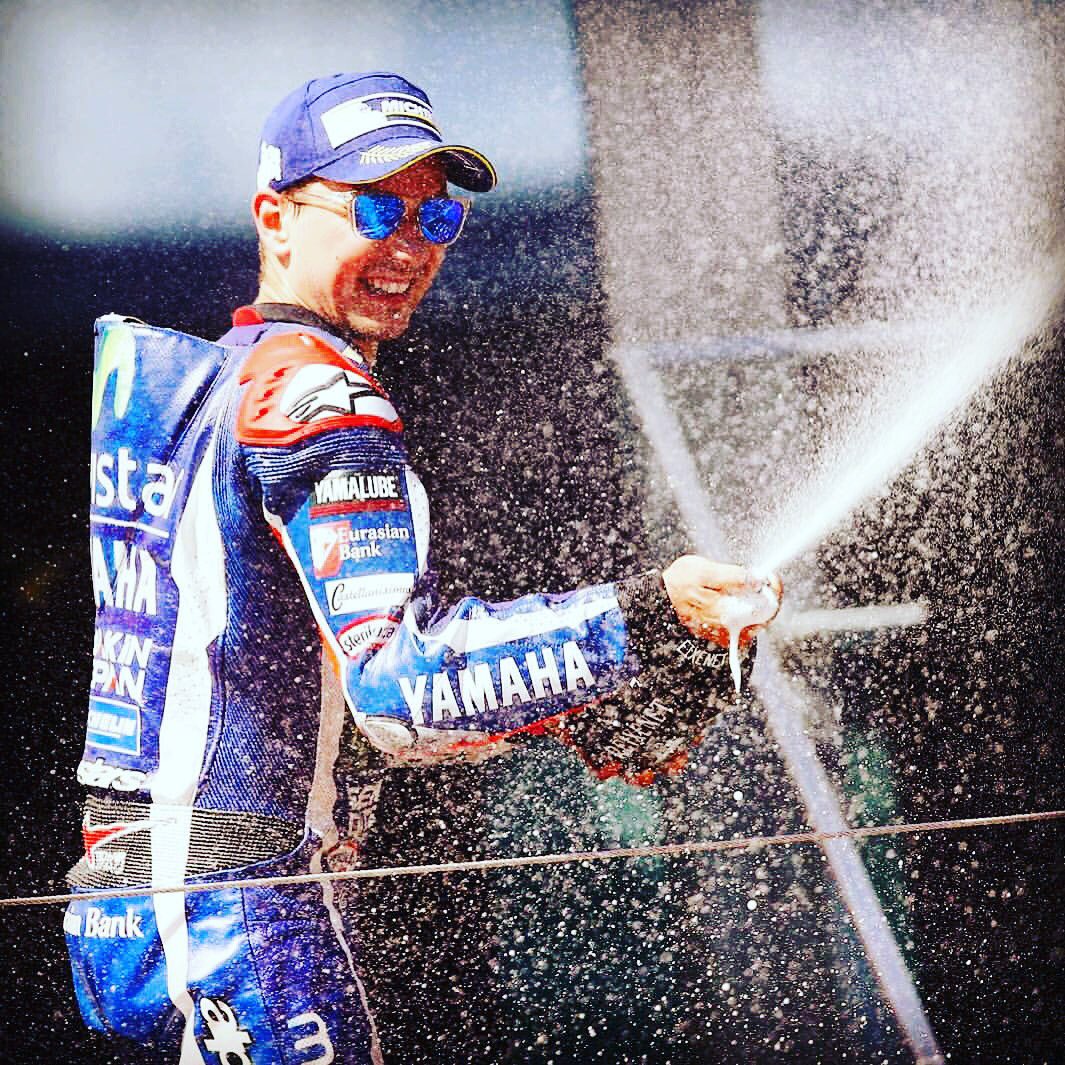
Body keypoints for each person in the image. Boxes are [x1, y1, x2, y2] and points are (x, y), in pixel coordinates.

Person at [64, 71, 781, 1063]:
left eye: (435, 216)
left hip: (136, 911)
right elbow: (399, 693)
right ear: (275, 218)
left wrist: (565, 706)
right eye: (373, 209)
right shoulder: (317, 391)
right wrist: (646, 618)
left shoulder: (209, 387)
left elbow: (295, 694)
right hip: (238, 916)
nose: (408, 246)